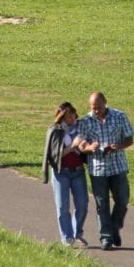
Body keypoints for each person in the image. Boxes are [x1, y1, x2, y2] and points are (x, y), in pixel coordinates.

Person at [78, 91, 134, 250]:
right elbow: (81, 146)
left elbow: (130, 138)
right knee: (102, 204)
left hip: (118, 166)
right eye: (93, 107)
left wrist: (118, 146)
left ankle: (114, 227)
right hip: (98, 169)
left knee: (122, 201)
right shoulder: (86, 121)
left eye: (99, 107)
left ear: (105, 103)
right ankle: (106, 237)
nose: (96, 110)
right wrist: (90, 147)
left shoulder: (119, 116)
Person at [42, 101, 89, 248]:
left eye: (72, 115)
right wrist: (73, 146)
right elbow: (55, 156)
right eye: (67, 117)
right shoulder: (56, 131)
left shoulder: (81, 127)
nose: (71, 119)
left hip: (78, 171)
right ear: (60, 118)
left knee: (82, 204)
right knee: (63, 206)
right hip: (61, 173)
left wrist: (85, 147)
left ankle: (77, 233)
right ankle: (67, 237)